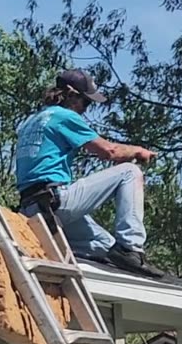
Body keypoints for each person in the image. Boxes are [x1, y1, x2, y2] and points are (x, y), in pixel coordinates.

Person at [14, 69, 165, 278]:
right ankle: (133, 247)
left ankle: (76, 250)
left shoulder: (31, 121)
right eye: (86, 102)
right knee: (130, 172)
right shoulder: (63, 116)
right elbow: (109, 151)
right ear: (70, 93)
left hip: (32, 210)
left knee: (109, 248)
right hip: (56, 201)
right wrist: (138, 151)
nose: (86, 108)